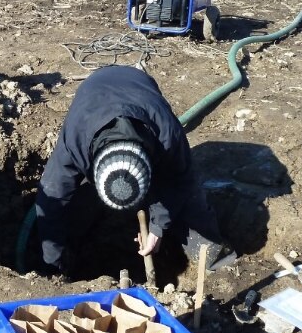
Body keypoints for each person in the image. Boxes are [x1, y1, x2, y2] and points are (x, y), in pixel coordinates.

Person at [34, 65, 229, 277]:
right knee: (75, 206)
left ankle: (217, 265)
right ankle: (70, 257)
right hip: (94, 89)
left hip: (138, 84)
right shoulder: (75, 142)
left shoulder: (167, 134)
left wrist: (157, 227)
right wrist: (53, 265)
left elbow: (179, 181)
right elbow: (51, 200)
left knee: (190, 201)